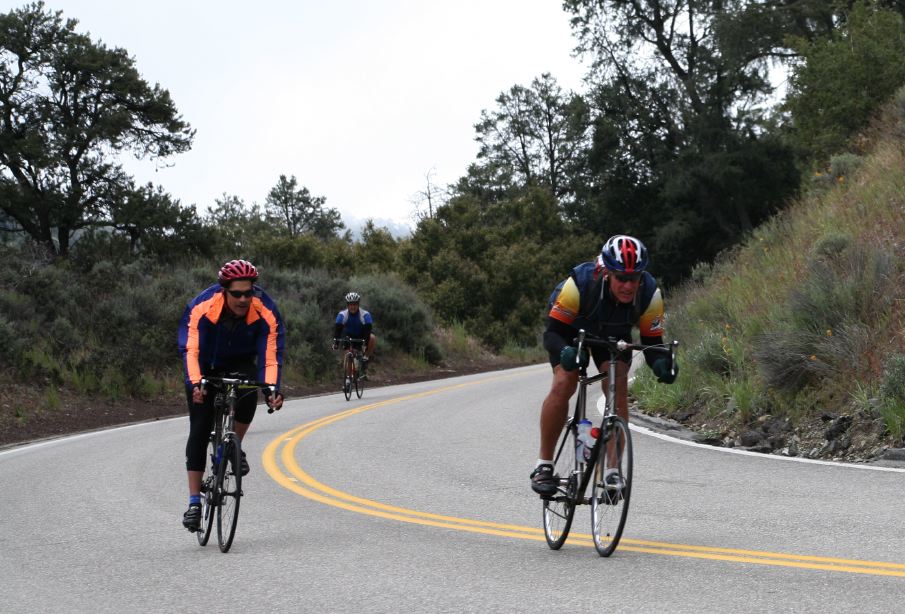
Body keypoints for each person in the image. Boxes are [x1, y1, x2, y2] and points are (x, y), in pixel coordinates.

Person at [530, 235, 678, 496]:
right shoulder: (580, 284)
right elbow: (551, 334)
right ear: (607, 272)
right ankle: (544, 464)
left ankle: (611, 471)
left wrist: (661, 364)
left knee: (618, 382)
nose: (628, 285)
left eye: (634, 278)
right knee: (566, 381)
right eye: (621, 277)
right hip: (570, 331)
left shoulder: (649, 293)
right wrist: (565, 351)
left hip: (611, 335)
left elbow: (652, 341)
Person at [178, 259, 285, 531]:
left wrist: (273, 389)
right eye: (236, 293)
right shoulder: (202, 306)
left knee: (250, 396)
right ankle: (193, 503)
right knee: (200, 428)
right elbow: (191, 350)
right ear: (224, 290)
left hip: (241, 363)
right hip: (205, 365)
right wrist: (196, 384)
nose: (243, 299)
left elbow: (270, 358)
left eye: (248, 293)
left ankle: (233, 444)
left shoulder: (265, 311)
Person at [332, 291, 375, 379]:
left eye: (355, 304)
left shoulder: (365, 315)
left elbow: (367, 331)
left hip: (362, 336)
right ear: (347, 305)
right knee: (348, 354)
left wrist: (365, 345)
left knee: (372, 337)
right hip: (348, 336)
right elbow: (338, 331)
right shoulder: (342, 315)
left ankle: (365, 359)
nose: (353, 307)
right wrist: (335, 343)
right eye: (351, 304)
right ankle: (349, 378)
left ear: (358, 304)